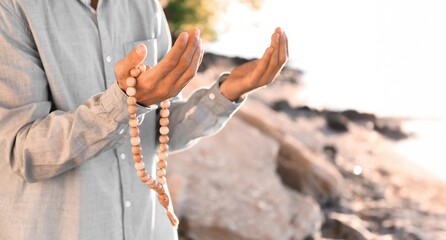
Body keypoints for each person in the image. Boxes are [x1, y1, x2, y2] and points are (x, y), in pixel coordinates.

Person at [0, 0, 288, 239]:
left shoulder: (145, 7)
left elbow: (162, 131)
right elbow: (22, 151)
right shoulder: (12, 9)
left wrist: (227, 92)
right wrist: (129, 101)